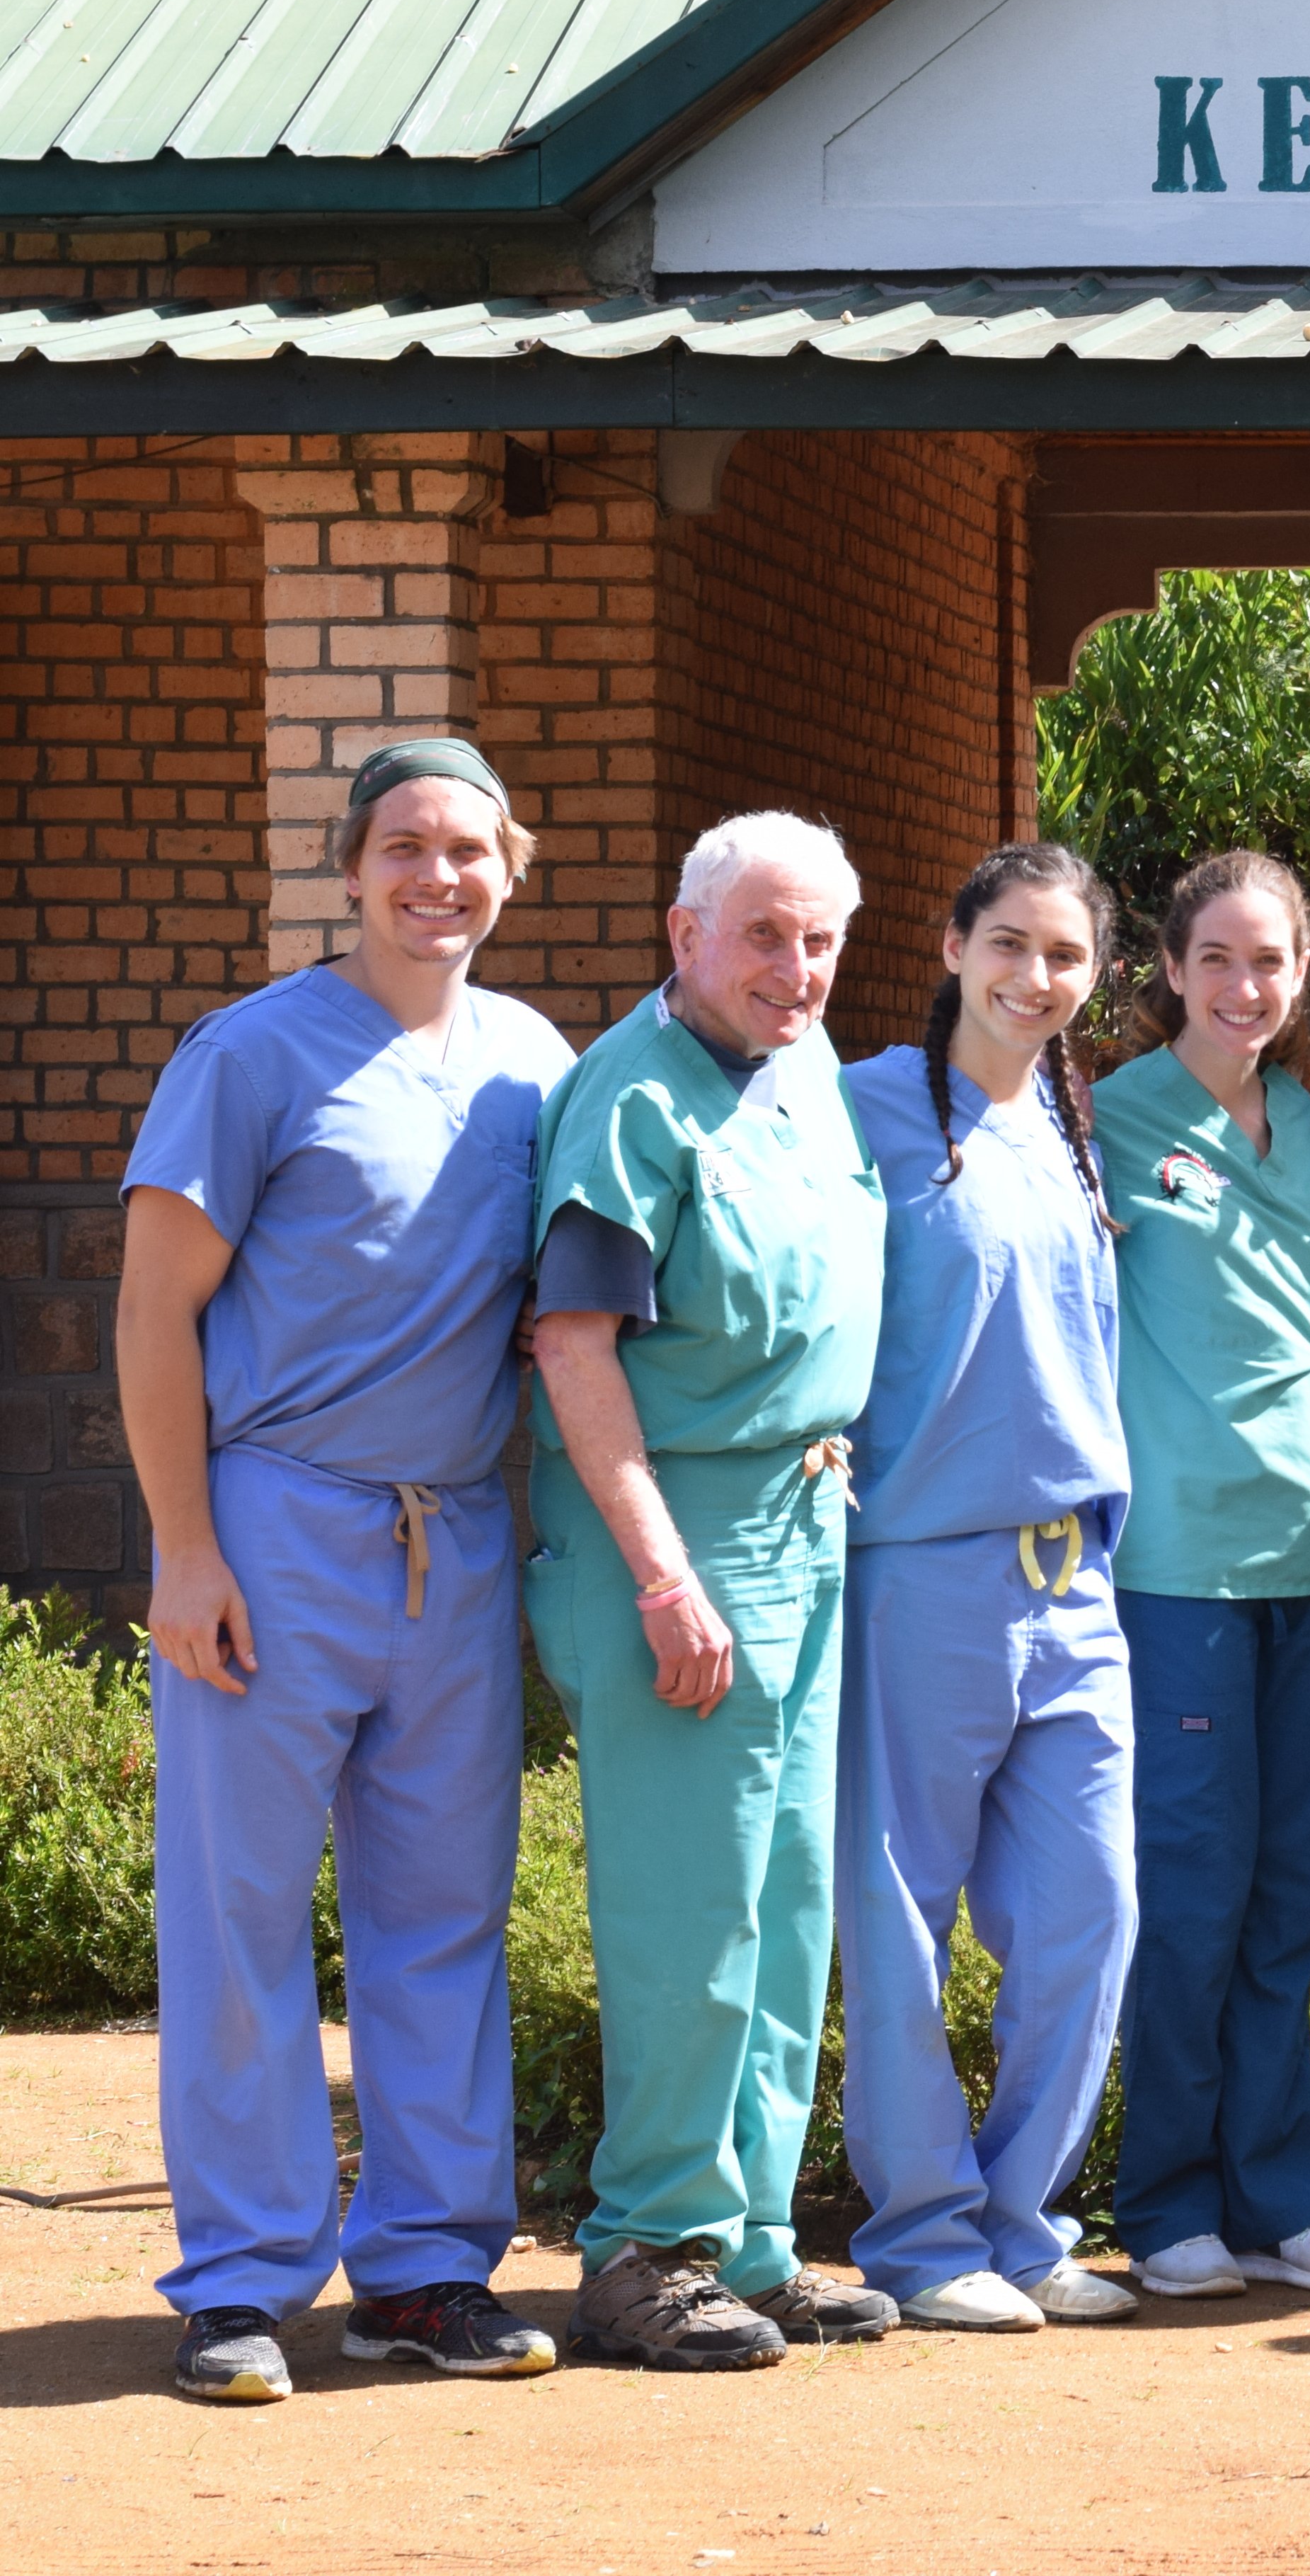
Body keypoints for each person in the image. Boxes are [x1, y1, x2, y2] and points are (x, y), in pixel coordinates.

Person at [116, 738, 575, 2403]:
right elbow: (152, 1308)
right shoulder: (252, 1056)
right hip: (274, 1528)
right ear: (351, 865)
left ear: (512, 863)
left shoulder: (537, 1060)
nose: (435, 875)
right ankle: (239, 2281)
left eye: (467, 846)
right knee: (238, 1912)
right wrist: (184, 1546)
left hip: (450, 1536)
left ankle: (426, 2270)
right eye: (403, 845)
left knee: (441, 1911)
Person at [527, 811, 899, 2369]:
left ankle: (744, 2232)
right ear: (685, 935)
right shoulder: (631, 1096)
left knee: (789, 1897)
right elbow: (573, 1343)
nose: (796, 966)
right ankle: (643, 2244)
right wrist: (667, 1576)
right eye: (764, 933)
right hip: (686, 1538)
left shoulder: (804, 1072)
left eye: (820, 937)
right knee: (692, 1912)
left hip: (810, 1522)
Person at [832, 842, 1143, 2332]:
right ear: (953, 944)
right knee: (899, 1911)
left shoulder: (1076, 1132)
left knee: (1091, 1911)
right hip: (923, 1571)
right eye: (1009, 942)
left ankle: (1024, 2220)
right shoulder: (862, 1107)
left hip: (1076, 1580)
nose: (1036, 976)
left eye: (1066, 955)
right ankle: (920, 2231)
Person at [1095, 852, 1310, 2303]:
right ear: (1169, 964)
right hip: (1180, 1569)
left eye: (1270, 958)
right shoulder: (1111, 1118)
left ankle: (1285, 2200)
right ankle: (1165, 2206)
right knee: (1193, 1892)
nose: (1245, 985)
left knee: (1289, 1894)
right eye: (1218, 957)